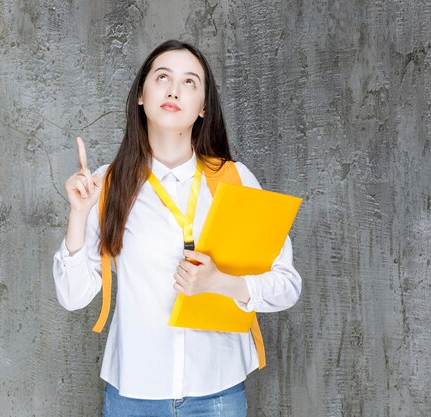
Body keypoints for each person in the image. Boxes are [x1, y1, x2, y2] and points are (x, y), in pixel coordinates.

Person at [52, 40, 301, 417]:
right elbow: (73, 297)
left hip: (218, 394)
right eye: (162, 77)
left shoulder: (235, 179)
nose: (173, 89)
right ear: (141, 94)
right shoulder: (106, 184)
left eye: (189, 82)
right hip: (132, 396)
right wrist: (78, 214)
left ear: (203, 107)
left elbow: (287, 285)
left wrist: (222, 282)